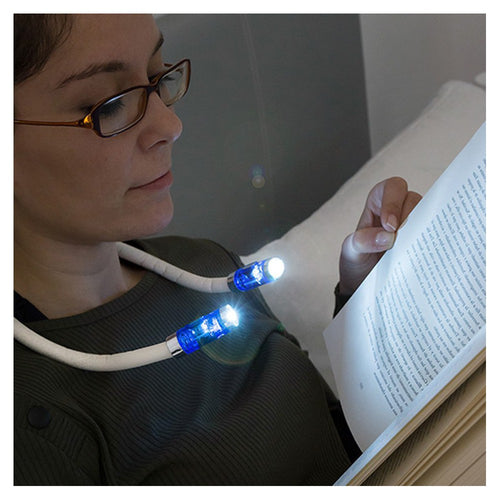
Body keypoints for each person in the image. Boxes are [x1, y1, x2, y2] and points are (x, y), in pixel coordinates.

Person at [14, 14, 422, 485]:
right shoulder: (28, 418)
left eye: (158, 77)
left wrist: (366, 296)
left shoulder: (204, 268)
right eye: (110, 105)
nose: (170, 125)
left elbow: (339, 440)